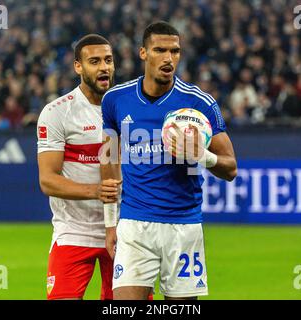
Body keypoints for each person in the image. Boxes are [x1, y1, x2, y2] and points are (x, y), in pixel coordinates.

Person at [100, 21, 237, 300]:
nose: (168, 58)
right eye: (160, 50)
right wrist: (110, 223)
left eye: (174, 51)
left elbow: (230, 167)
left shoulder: (199, 103)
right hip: (135, 225)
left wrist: (202, 155)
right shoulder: (115, 100)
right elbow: (109, 158)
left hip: (183, 227)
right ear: (143, 53)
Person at [37, 34, 121, 300]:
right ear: (78, 67)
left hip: (123, 229)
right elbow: (48, 180)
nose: (103, 67)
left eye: (108, 60)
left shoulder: (128, 108)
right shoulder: (57, 112)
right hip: (74, 231)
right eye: (94, 61)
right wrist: (95, 191)